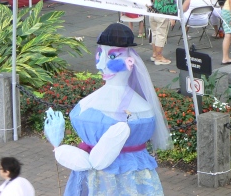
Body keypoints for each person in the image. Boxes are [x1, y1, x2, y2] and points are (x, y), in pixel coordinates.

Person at [51, 23, 171, 195]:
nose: (101, 65)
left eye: (113, 56)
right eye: (100, 54)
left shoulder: (93, 105)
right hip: (112, 173)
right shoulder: (141, 109)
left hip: (122, 173)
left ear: (130, 61)